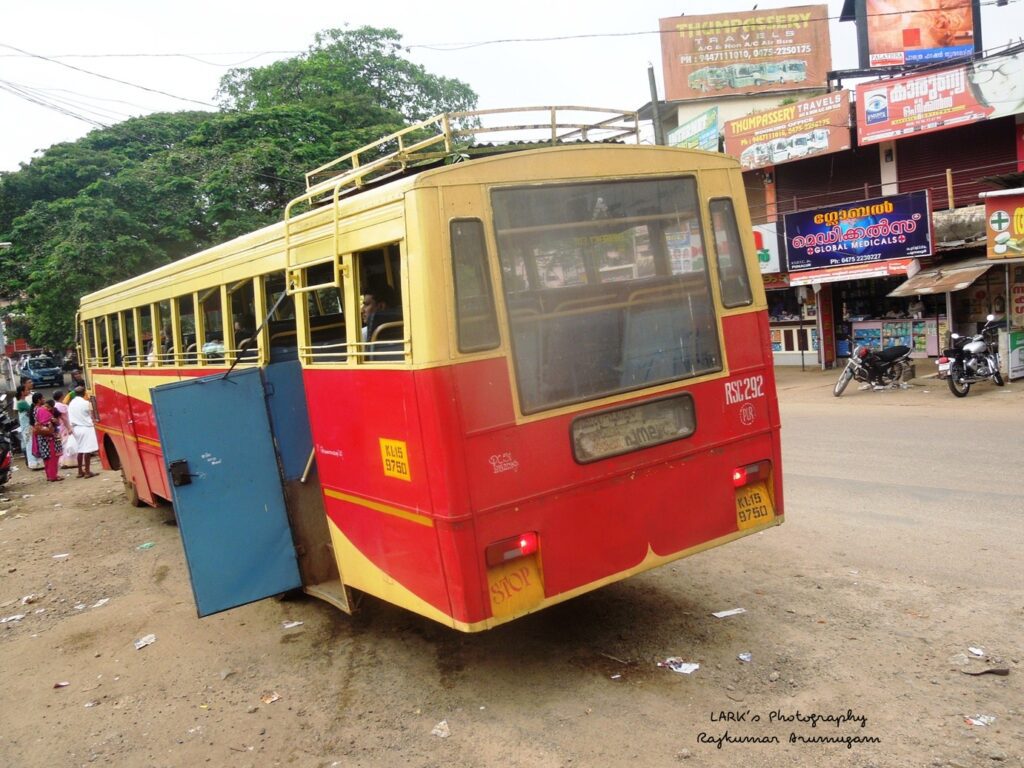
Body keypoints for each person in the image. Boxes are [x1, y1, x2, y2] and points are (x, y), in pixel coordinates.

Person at [67, 385, 99, 478]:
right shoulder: (85, 403)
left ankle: (80, 471)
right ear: (84, 393)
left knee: (80, 450)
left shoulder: (71, 403)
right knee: (87, 451)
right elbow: (92, 414)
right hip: (86, 428)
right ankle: (88, 471)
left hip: (75, 429)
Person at [32, 397, 63, 482]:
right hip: (49, 438)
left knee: (46, 457)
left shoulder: (38, 409)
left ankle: (49, 475)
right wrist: (53, 421)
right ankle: (53, 476)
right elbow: (50, 423)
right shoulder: (45, 412)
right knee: (52, 457)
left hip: (42, 438)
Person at [16, 383, 44, 471]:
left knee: (31, 443)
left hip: (27, 426)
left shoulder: (21, 402)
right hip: (27, 426)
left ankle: (34, 462)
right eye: (27, 390)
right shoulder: (22, 403)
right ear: (22, 392)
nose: (28, 391)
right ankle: (33, 462)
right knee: (30, 444)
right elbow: (31, 411)